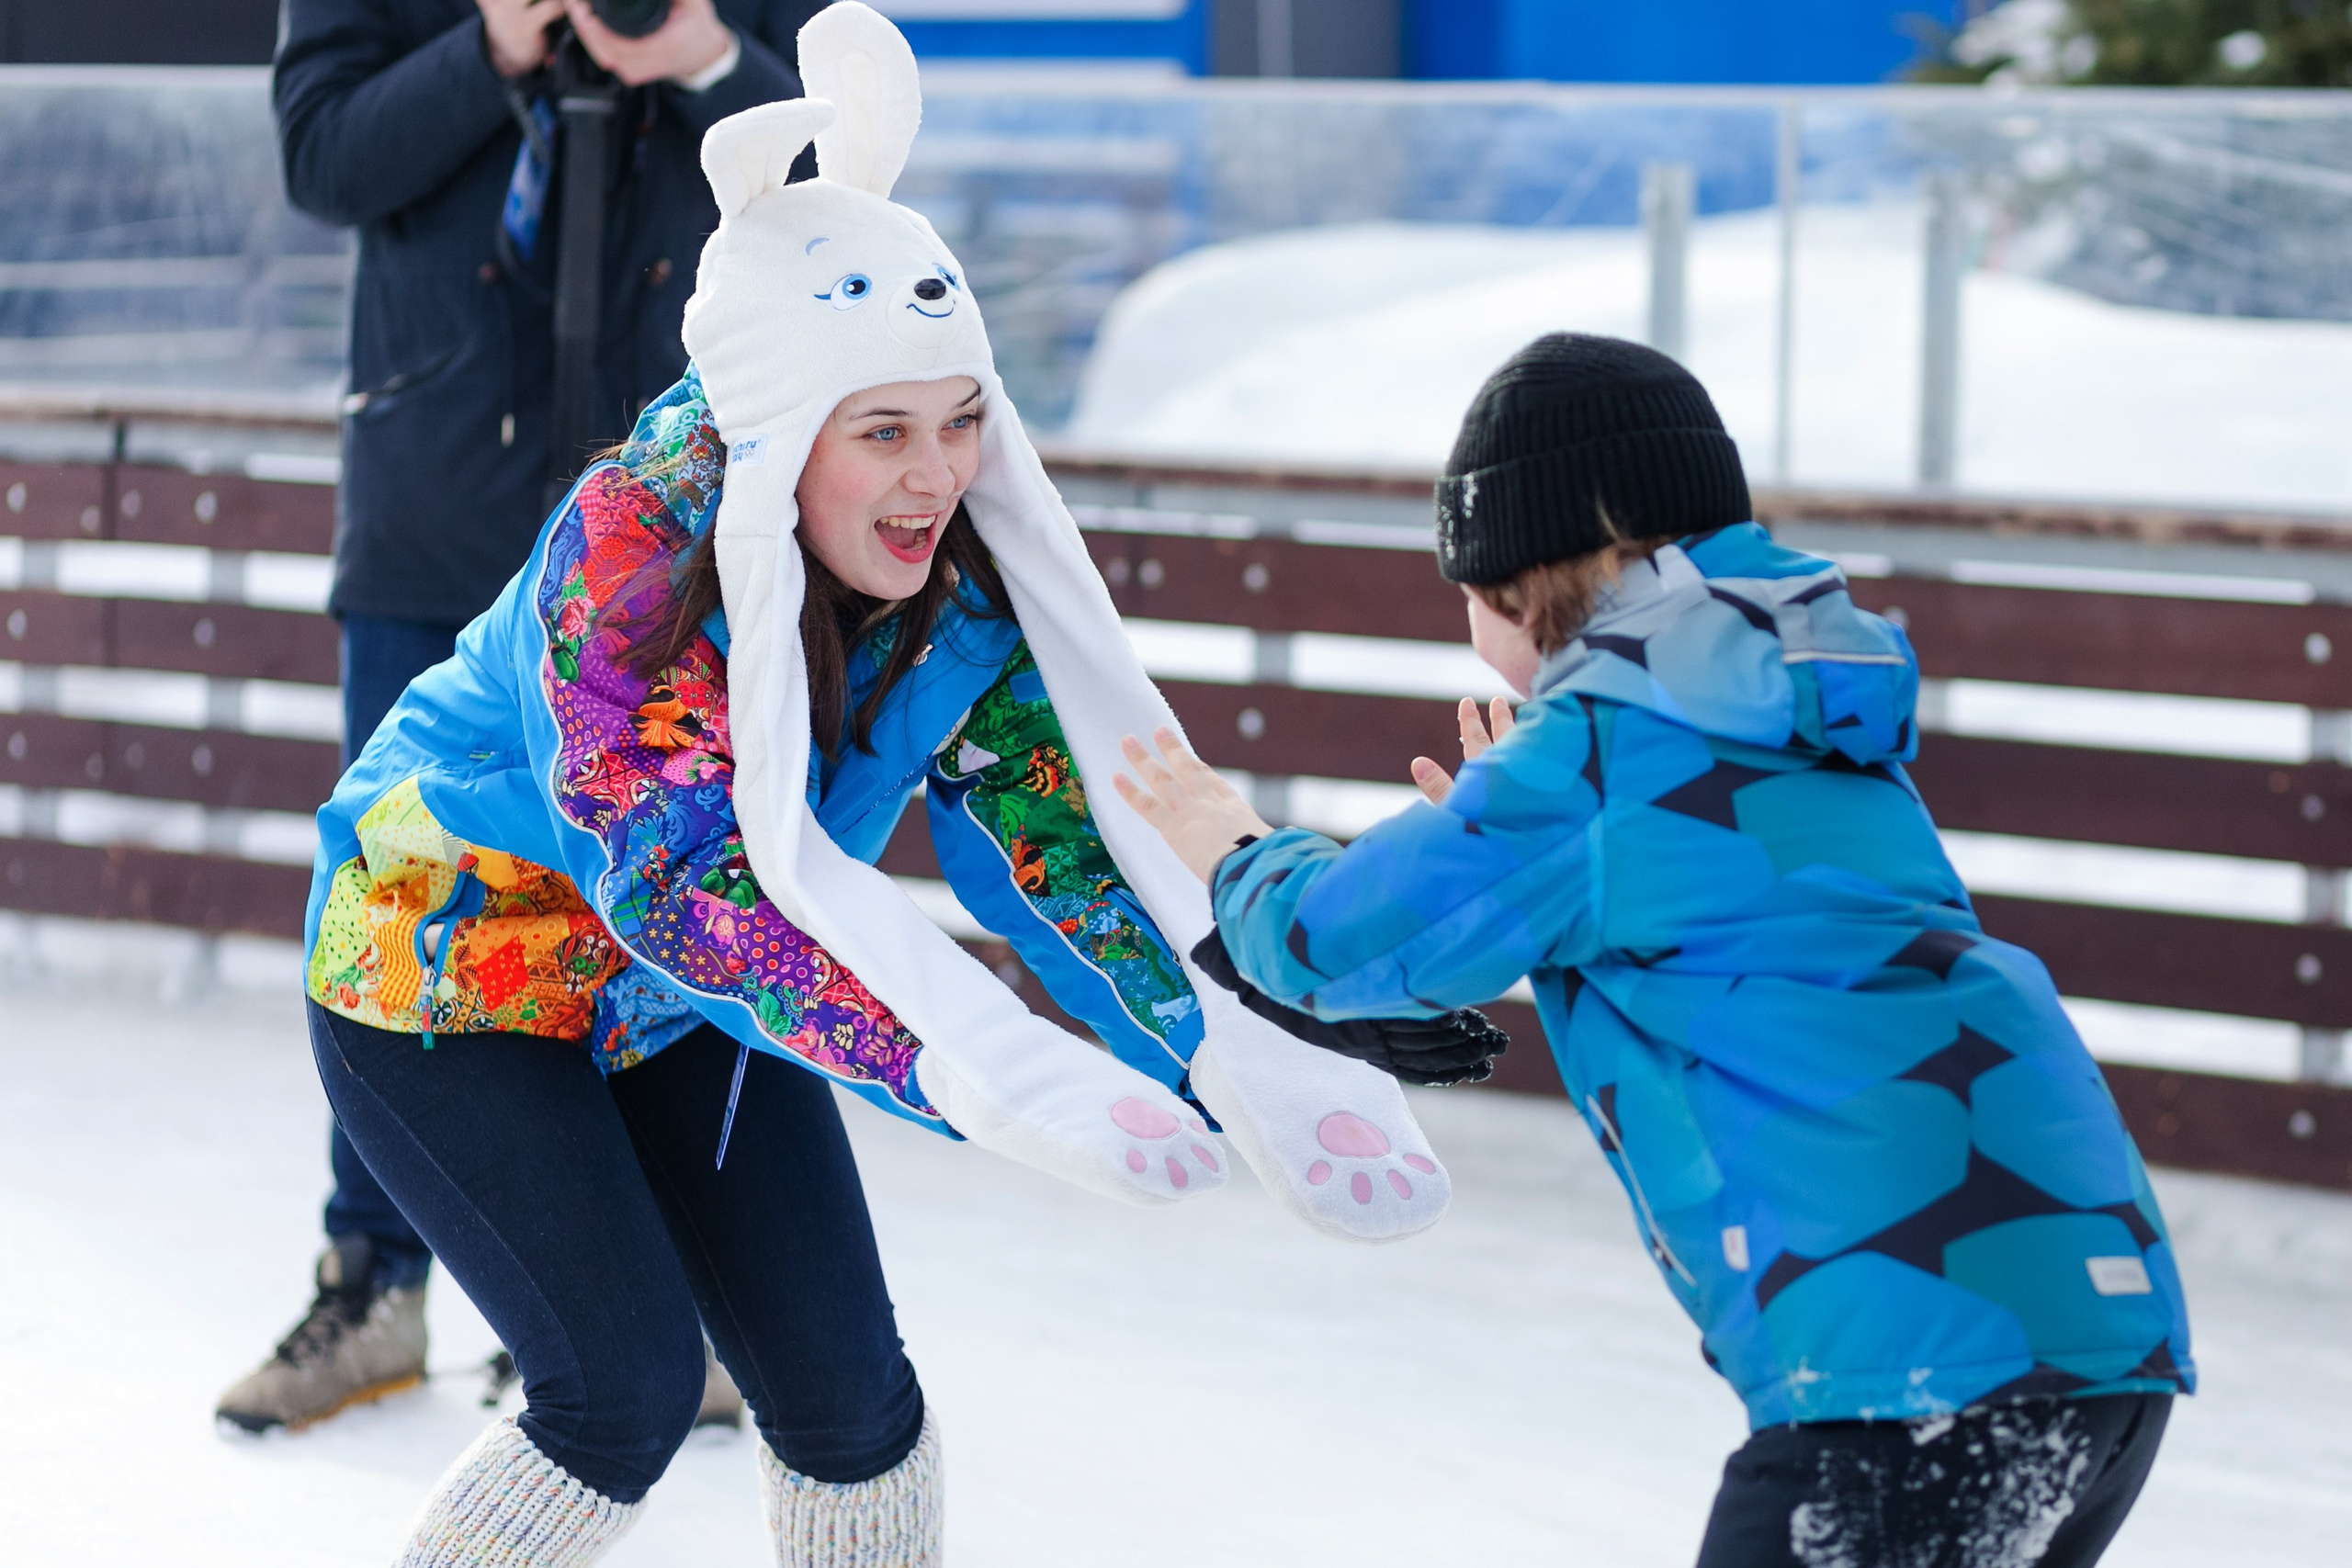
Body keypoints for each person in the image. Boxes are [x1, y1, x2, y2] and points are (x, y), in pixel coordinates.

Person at [288, 7, 1500, 1560]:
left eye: (961, 420)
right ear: (782, 427)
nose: (935, 475)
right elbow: (685, 887)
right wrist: (966, 1064)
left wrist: (1265, 1014)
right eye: (883, 432)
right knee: (622, 1394)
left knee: (853, 1405)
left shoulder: (962, 586)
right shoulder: (626, 559)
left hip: (683, 1007)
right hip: (449, 969)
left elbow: (1067, 856)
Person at [1115, 333, 2195, 1568]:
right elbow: (1701, 906)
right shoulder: (1789, 713)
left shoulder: (1603, 745)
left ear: (1519, 577)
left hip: (1910, 1367)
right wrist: (1522, 835)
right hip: (2093, 1333)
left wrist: (1229, 845)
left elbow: (1331, 942)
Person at [219, 0, 827, 1434]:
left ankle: (653, 1292)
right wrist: (493, 40)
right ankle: (374, 1281)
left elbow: (839, 186)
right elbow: (324, 157)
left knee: (671, 895)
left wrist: (700, 61)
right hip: (436, 502)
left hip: (672, 522)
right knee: (395, 899)